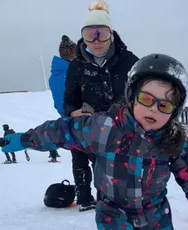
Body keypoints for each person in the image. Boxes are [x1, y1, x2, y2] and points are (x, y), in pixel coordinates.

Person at [0, 53, 188, 230]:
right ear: (132, 96)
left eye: (164, 105)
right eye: (147, 99)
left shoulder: (171, 141)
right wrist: (24, 139)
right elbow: (61, 131)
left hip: (156, 214)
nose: (153, 110)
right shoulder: (104, 128)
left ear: (175, 110)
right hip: (114, 214)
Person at [63, 0, 139, 210]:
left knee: (110, 165)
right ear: (83, 37)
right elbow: (68, 101)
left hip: (119, 127)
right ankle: (84, 197)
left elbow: (143, 93)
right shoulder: (76, 67)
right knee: (79, 159)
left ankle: (108, 200)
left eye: (102, 34)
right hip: (87, 125)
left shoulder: (129, 61)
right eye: (90, 35)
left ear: (111, 35)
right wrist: (73, 111)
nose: (96, 41)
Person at [48, 35, 77, 162]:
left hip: (66, 119)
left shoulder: (54, 75)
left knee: (78, 158)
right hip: (79, 118)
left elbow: (58, 102)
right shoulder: (72, 72)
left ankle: (81, 182)